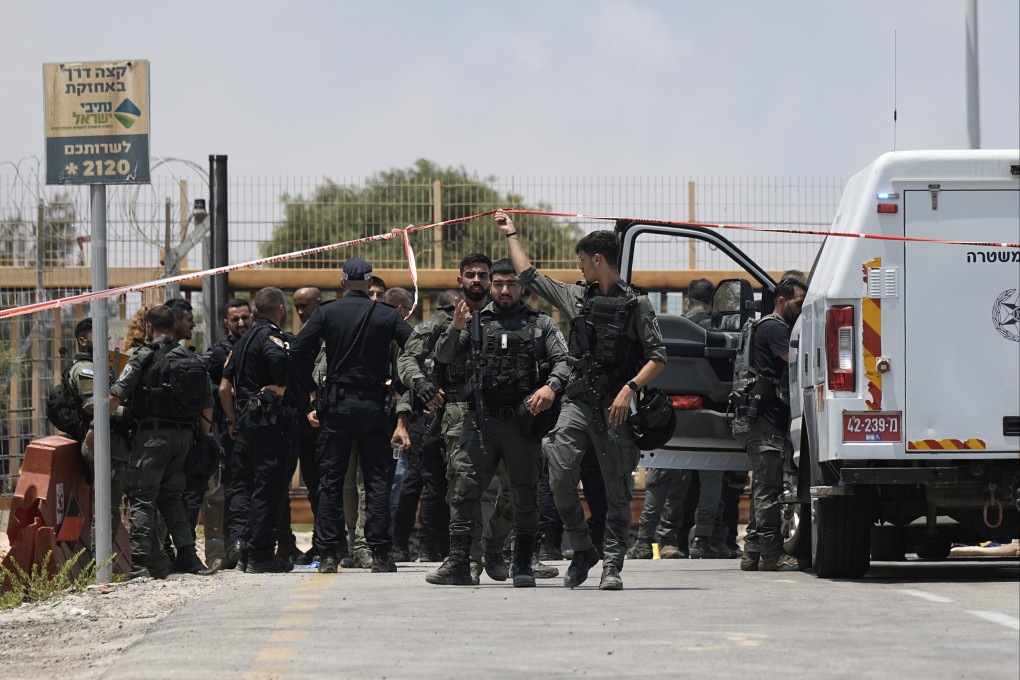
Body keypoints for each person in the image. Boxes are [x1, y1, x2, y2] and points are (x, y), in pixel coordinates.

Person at [499, 210, 666, 591]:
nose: (579, 266)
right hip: (578, 403)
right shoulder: (577, 297)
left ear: (596, 259)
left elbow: (659, 357)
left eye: (581, 259)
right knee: (558, 475)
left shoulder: (637, 305)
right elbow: (530, 276)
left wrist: (630, 388)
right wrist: (511, 233)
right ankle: (582, 547)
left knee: (617, 489)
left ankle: (612, 565)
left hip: (616, 407)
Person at [426, 259, 571, 587]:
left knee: (525, 494)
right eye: (499, 283)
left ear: (523, 287)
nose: (505, 290)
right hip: (480, 422)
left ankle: (521, 564)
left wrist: (551, 386)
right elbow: (444, 357)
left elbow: (564, 361)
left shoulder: (541, 324)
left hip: (523, 424)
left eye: (512, 284)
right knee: (464, 492)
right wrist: (456, 328)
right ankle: (460, 563)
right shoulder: (475, 322)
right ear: (491, 285)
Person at [396, 256, 515, 583]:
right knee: (467, 487)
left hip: (504, 415)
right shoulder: (439, 321)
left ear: (491, 279)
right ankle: (466, 561)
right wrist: (421, 384)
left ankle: (495, 548)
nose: (476, 280)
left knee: (511, 490)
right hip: (459, 415)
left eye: (482, 275)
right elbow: (408, 358)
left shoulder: (508, 319)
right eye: (470, 275)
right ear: (460, 279)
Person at [290, 257, 412, 575]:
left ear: (343, 283)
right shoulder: (386, 315)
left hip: (336, 408)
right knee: (376, 481)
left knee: (330, 482)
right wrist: (398, 385)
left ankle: (330, 553)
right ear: (371, 284)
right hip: (374, 406)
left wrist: (311, 391)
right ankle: (381, 553)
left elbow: (298, 351)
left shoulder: (327, 313)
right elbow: (416, 347)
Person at [108, 305, 215, 579]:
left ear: (149, 328)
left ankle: (140, 564)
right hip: (184, 438)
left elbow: (116, 396)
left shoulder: (142, 357)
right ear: (173, 325)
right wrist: (202, 437)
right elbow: (207, 405)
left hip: (152, 437)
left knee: (142, 499)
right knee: (172, 498)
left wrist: (98, 422)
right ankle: (189, 558)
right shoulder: (191, 357)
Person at [219, 287, 294, 574]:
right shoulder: (270, 336)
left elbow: (226, 386)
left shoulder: (241, 341)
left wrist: (233, 420)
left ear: (254, 311)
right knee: (267, 485)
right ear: (281, 308)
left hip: (246, 421)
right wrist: (283, 386)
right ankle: (261, 554)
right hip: (267, 421)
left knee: (245, 485)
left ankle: (247, 550)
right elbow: (279, 361)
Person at [740, 277, 808, 572]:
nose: (801, 308)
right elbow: (796, 361)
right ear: (780, 299)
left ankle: (752, 552)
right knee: (768, 489)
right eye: (797, 303)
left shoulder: (764, 325)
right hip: (766, 420)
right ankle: (772, 555)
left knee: (762, 488)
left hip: (763, 419)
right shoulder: (775, 328)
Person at [201, 298, 252, 570]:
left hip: (252, 433)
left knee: (245, 493)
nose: (241, 323)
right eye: (236, 319)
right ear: (226, 322)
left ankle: (242, 548)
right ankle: (216, 554)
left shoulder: (257, 345)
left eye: (245, 317)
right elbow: (202, 387)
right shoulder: (217, 354)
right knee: (216, 496)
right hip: (223, 434)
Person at [72, 318, 131, 542]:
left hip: (111, 441)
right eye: (97, 336)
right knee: (107, 507)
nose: (103, 342)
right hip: (101, 441)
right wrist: (128, 413)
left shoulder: (98, 367)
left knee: (111, 505)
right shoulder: (86, 369)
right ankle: (100, 565)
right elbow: (93, 405)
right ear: (83, 340)